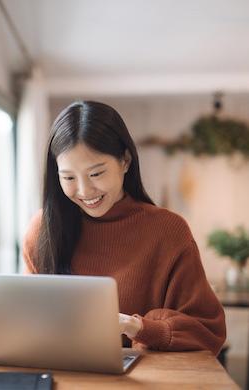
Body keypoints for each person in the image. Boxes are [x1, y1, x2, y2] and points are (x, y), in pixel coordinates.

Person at [23, 100, 226, 355]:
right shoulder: (42, 229)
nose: (85, 191)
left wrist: (140, 327)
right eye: (69, 178)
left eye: (96, 174)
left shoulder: (168, 231)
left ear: (125, 161)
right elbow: (30, 322)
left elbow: (209, 332)